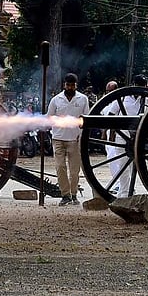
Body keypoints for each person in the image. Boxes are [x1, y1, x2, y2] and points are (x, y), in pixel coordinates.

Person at [47, 72, 90, 206]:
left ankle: (74, 194)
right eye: (68, 85)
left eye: (72, 85)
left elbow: (86, 119)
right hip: (58, 138)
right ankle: (65, 195)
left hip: (75, 139)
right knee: (60, 167)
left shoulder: (83, 99)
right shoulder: (56, 99)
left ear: (76, 85)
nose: (70, 87)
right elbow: (49, 117)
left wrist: (81, 134)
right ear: (64, 85)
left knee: (74, 170)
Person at [104, 74, 148, 197]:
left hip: (137, 137)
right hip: (121, 136)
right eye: (139, 86)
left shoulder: (145, 98)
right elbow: (111, 114)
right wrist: (110, 133)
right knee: (123, 165)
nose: (141, 89)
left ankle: (129, 190)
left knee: (132, 167)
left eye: (143, 86)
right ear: (134, 85)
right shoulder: (122, 97)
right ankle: (124, 193)